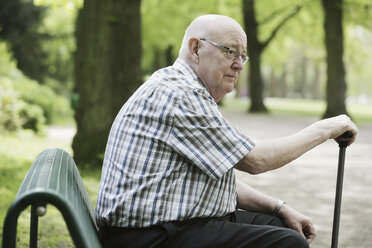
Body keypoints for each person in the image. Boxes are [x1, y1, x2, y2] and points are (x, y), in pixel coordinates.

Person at [95, 14, 358, 248]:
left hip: (164, 227)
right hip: (146, 237)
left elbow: (217, 177)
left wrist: (280, 207)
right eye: (230, 51)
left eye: (242, 55)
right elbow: (255, 160)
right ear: (196, 48)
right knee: (287, 243)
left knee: (280, 226)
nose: (239, 64)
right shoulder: (180, 95)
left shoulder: (182, 87)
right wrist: (326, 128)